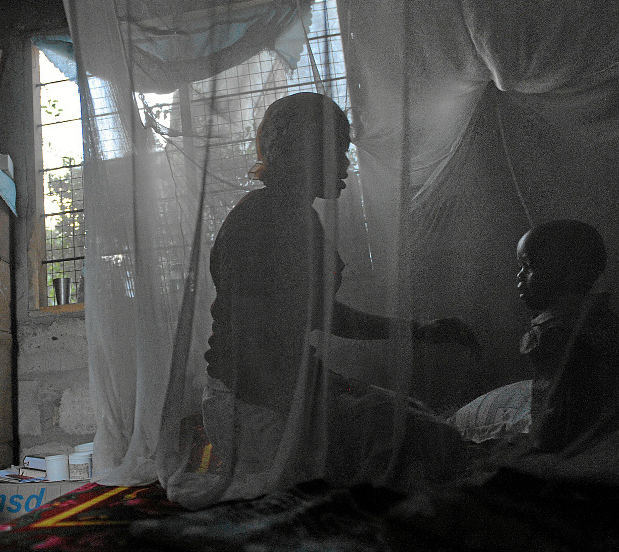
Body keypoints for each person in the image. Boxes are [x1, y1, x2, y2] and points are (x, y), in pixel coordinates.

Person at [200, 92, 476, 494]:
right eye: (336, 151)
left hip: (279, 392)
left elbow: (314, 316)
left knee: (417, 422)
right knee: (425, 445)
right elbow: (259, 344)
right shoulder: (266, 219)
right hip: (254, 407)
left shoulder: (294, 215)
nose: (346, 165)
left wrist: (419, 331)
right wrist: (319, 404)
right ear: (300, 152)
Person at [514, 219, 619, 454]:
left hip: (574, 445)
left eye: (528, 266)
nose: (519, 275)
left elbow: (553, 404)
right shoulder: (602, 316)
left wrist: (540, 447)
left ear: (568, 273)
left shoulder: (554, 331)